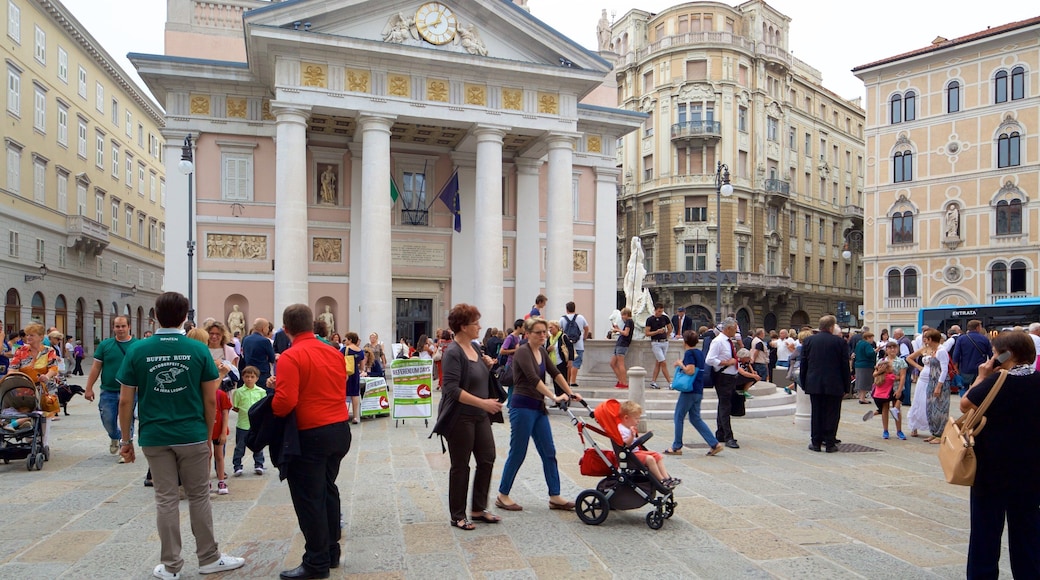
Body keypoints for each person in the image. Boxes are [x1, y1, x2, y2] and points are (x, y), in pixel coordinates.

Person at [115, 292, 245, 579]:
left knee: (166, 499)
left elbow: (125, 400)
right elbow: (210, 398)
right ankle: (209, 558)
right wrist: (207, 433)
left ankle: (171, 565)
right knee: (199, 496)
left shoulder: (138, 350)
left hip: (155, 435)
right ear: (185, 316)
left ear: (155, 316)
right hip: (192, 433)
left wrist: (125, 440)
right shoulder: (198, 350)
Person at [270, 304, 350, 579]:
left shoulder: (291, 356)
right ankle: (331, 551)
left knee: (309, 498)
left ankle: (316, 561)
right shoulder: (333, 352)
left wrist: (274, 400)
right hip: (339, 428)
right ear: (312, 323)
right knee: (327, 489)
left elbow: (285, 403)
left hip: (311, 433)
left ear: (286, 329)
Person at [960, 331, 1040, 579]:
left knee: (985, 533)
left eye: (995, 353)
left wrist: (982, 376)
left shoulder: (997, 381)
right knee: (1028, 532)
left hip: (991, 469)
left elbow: (965, 404)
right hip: (1030, 470)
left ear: (1006, 355)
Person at [495, 317, 582, 512]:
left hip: (538, 407)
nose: (543, 335)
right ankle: (502, 494)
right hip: (522, 407)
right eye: (539, 332)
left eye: (545, 332)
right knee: (518, 452)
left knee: (549, 452)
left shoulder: (542, 351)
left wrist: (569, 392)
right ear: (527, 334)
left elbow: (555, 373)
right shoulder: (522, 352)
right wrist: (554, 396)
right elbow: (533, 379)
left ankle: (555, 496)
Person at [434, 303, 504, 531]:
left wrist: (487, 366)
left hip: (479, 416)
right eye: (475, 323)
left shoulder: (475, 347)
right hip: (460, 417)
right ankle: (457, 515)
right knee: (461, 465)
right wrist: (483, 403)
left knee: (487, 458)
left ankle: (478, 508)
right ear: (463, 327)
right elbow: (451, 389)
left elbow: (477, 377)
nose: (479, 327)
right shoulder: (453, 352)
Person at [666, 330, 724, 456]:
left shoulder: (689, 353)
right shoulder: (699, 352)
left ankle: (676, 446)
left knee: (678, 416)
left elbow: (690, 370)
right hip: (698, 389)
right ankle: (714, 444)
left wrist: (680, 364)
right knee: (695, 418)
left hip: (689, 390)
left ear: (685, 341)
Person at [800, 315, 851, 453]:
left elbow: (804, 364)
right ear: (831, 327)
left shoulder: (809, 341)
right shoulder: (840, 342)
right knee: (832, 413)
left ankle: (816, 442)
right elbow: (845, 366)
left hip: (814, 383)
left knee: (816, 412)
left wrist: (804, 382)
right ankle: (829, 443)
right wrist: (847, 386)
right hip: (835, 383)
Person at [618, 401, 679, 487]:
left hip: (635, 451)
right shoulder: (621, 429)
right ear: (626, 418)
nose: (638, 421)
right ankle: (661, 479)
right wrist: (632, 436)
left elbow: (634, 441)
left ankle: (667, 478)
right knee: (650, 459)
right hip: (629, 454)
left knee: (657, 456)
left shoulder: (629, 428)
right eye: (636, 419)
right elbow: (625, 444)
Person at [906, 329, 950, 442]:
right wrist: (919, 367)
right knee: (931, 407)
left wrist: (939, 386)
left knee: (940, 408)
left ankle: (940, 434)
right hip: (929, 379)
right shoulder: (933, 350)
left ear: (930, 339)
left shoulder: (941, 351)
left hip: (937, 381)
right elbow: (909, 358)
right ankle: (934, 432)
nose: (924, 341)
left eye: (926, 338)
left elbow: (944, 370)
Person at [705, 317, 741, 449]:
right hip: (723, 377)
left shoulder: (728, 341)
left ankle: (720, 433)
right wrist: (726, 363)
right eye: (735, 329)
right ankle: (728, 436)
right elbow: (709, 359)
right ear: (728, 328)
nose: (736, 331)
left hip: (731, 377)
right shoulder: (718, 341)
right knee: (725, 406)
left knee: (724, 405)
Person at [231, 366, 266, 477]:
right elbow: (235, 407)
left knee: (258, 445)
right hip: (243, 424)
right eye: (247, 376)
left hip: (256, 425)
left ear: (257, 378)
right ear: (243, 377)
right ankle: (237, 466)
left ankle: (259, 464)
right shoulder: (238, 392)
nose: (249, 379)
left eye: (252, 377)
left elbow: (263, 407)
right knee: (240, 447)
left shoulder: (261, 392)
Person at [8, 323, 59, 389]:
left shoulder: (49, 351)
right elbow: (12, 368)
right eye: (27, 335)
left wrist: (47, 376)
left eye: (31, 335)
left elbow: (53, 368)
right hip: (25, 389)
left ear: (41, 337)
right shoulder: (20, 350)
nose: (28, 337)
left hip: (46, 389)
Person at [952, 320, 992, 389]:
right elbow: (991, 354)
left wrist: (955, 368)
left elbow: (956, 355)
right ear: (977, 328)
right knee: (979, 389)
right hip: (980, 369)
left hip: (965, 369)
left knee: (964, 388)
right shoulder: (984, 339)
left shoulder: (961, 339)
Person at [241, 318, 276, 394]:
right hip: (262, 374)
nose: (268, 330)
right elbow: (272, 359)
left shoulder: (246, 339)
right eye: (267, 327)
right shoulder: (265, 341)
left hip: (249, 373)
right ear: (263, 328)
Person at [560, 301, 590, 387]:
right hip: (578, 344)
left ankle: (567, 380)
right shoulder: (580, 317)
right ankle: (573, 381)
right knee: (576, 363)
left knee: (568, 363)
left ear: (566, 309)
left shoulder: (562, 319)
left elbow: (559, 330)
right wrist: (584, 337)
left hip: (566, 345)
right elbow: (586, 328)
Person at [644, 305, 672, 389]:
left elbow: (670, 328)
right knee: (663, 362)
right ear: (655, 310)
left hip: (664, 342)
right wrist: (657, 332)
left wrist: (666, 335)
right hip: (656, 343)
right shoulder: (650, 319)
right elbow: (647, 333)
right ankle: (670, 382)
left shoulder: (665, 318)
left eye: (662, 311)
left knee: (659, 362)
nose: (660, 313)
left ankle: (653, 381)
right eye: (659, 311)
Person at [609, 308, 634, 389]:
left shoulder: (629, 321)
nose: (622, 317)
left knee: (620, 364)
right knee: (612, 363)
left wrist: (617, 330)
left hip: (623, 344)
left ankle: (624, 382)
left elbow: (626, 333)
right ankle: (620, 380)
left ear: (626, 315)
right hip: (620, 344)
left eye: (623, 315)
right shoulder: (629, 322)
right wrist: (618, 329)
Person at [344, 332, 365, 425]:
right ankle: (356, 416)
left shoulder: (345, 349)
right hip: (355, 373)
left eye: (346, 339)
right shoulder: (360, 351)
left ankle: (344, 415)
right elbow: (362, 366)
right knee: (355, 394)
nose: (345, 341)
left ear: (350, 340)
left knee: (344, 394)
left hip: (346, 373)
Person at [853, 331, 877, 404]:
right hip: (866, 365)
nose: (872, 340)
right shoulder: (867, 345)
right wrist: (875, 351)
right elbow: (869, 353)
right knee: (865, 382)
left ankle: (861, 397)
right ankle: (862, 398)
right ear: (868, 338)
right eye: (872, 338)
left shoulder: (859, 343)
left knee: (860, 381)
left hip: (858, 365)